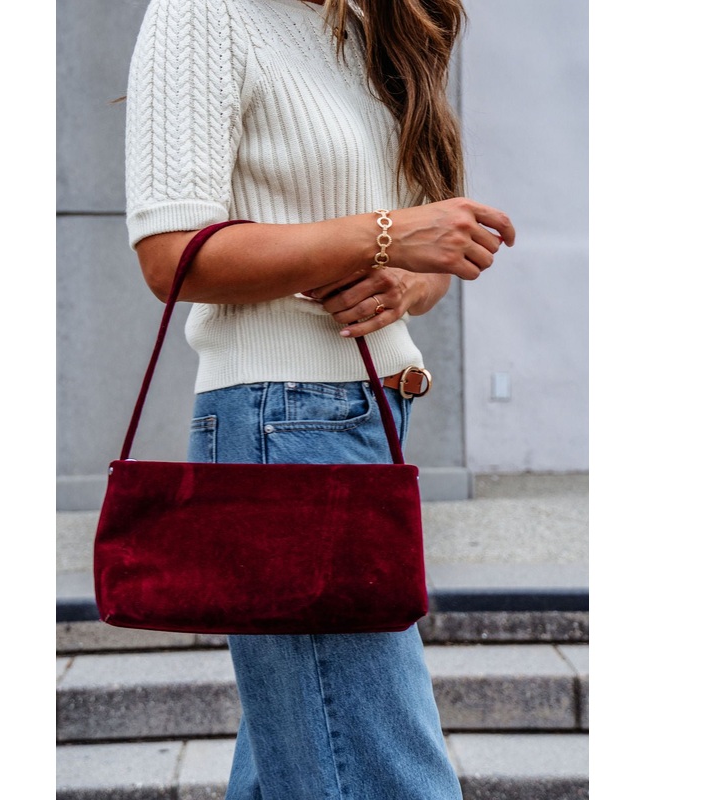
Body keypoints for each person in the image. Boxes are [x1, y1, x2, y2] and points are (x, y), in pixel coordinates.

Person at [125, 0, 515, 797]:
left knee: (304, 753)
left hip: (373, 418)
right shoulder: (206, 11)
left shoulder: (380, 26)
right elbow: (171, 254)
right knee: (380, 772)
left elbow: (425, 255)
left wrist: (411, 277)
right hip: (287, 425)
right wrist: (384, 235)